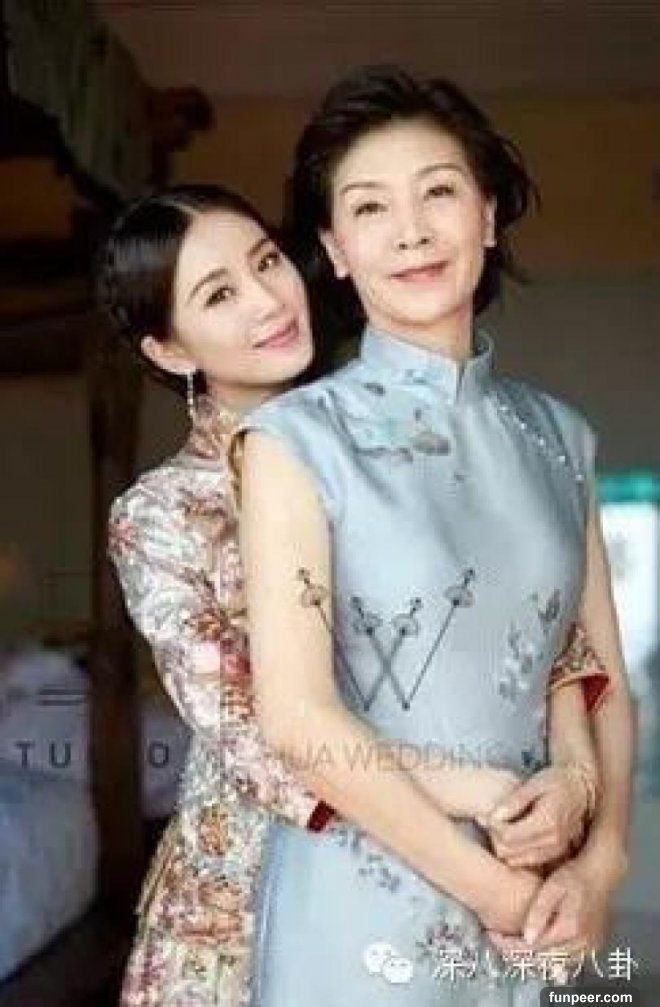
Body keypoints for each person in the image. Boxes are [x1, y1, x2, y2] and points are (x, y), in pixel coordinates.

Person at [100, 183, 606, 1006]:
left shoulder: (408, 436)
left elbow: (543, 616)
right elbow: (254, 729)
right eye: (219, 294)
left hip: (481, 847)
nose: (267, 300)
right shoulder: (162, 516)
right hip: (257, 887)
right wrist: (478, 790)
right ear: (169, 348)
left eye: (266, 262)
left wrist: (574, 778)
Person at [238, 67, 633, 1003]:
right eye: (370, 208)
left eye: (439, 192)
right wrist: (499, 893)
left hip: (537, 903)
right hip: (362, 908)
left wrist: (600, 863)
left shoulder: (559, 436)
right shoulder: (295, 439)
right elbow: (297, 721)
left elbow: (602, 679)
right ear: (334, 250)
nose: (410, 231)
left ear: (487, 217)